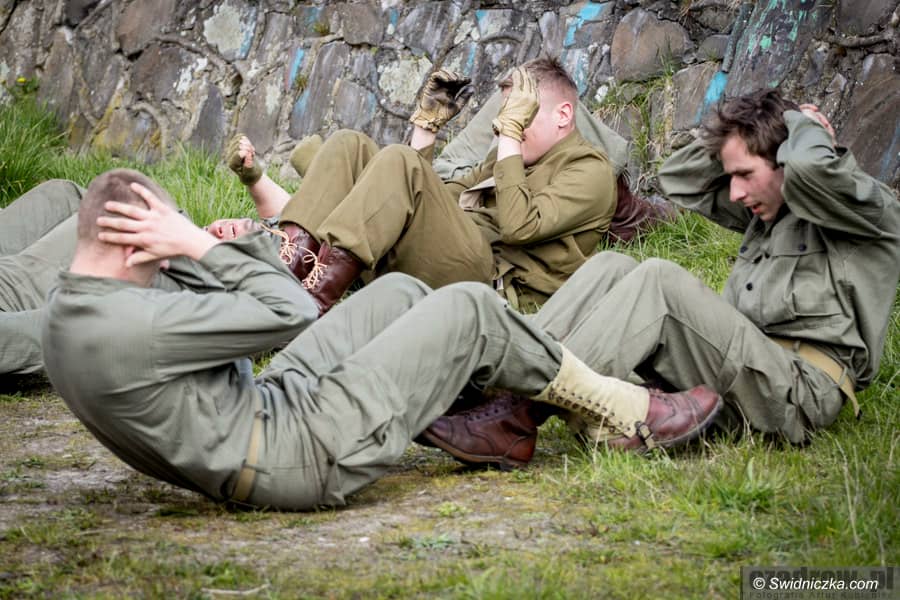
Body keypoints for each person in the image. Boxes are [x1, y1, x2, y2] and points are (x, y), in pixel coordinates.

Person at [41, 168, 722, 510]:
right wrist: (198, 246)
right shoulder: (126, 331)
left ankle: (490, 420)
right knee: (467, 309)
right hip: (292, 452)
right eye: (159, 241)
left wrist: (207, 247)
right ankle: (623, 414)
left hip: (260, 412)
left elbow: (220, 305)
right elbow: (287, 310)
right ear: (132, 243)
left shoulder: (82, 310)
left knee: (399, 292)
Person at [420, 89, 900, 468]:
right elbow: (679, 175)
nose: (734, 193)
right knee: (610, 266)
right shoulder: (770, 209)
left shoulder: (867, 212)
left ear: (788, 162)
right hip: (743, 374)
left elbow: (815, 167)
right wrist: (742, 137)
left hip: (797, 395)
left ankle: (517, 416)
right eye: (731, 176)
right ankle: (495, 382)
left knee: (659, 281)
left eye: (745, 174)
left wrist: (799, 123)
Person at [228, 57, 618, 315]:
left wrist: (510, 139)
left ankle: (310, 306)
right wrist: (425, 130)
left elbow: (520, 227)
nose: (503, 127)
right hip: (452, 255)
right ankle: (287, 271)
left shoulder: (590, 171)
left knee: (399, 160)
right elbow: (433, 198)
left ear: (563, 115)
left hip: (487, 283)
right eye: (504, 117)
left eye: (518, 115)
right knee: (351, 144)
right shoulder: (507, 157)